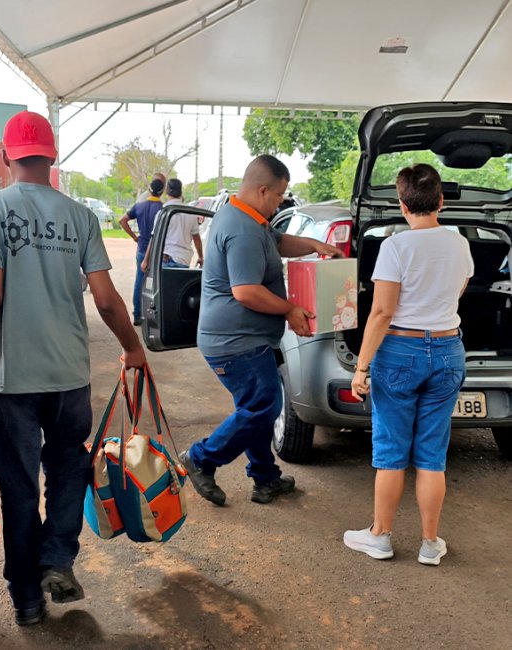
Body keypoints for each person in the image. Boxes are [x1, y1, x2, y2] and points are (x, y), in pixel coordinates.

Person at [0, 111, 147, 626]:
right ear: (53, 156)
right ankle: (58, 559)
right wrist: (133, 347)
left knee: (19, 489)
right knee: (68, 469)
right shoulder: (82, 218)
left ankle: (26, 599)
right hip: (70, 375)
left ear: (5, 157)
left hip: (13, 381)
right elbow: (107, 300)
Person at [179, 155, 344, 506]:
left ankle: (265, 479)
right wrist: (289, 309)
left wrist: (315, 246)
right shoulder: (242, 230)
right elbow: (246, 291)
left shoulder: (249, 219)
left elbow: (279, 241)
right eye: (280, 195)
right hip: (236, 342)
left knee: (254, 407)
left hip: (241, 338)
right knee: (264, 407)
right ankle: (201, 458)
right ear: (263, 189)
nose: (281, 201)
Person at [344, 164, 472, 566]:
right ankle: (430, 543)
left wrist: (361, 367)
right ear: (441, 200)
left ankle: (380, 536)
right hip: (449, 350)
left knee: (391, 451)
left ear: (402, 205)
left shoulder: (396, 247)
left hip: (400, 351)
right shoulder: (460, 244)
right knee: (432, 455)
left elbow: (382, 312)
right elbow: (460, 291)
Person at [120, 177, 165, 325]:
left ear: (149, 190)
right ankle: (152, 315)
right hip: (157, 251)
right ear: (162, 191)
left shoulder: (139, 206)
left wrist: (134, 237)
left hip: (141, 249)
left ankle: (137, 315)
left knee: (139, 282)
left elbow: (122, 220)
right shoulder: (163, 209)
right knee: (154, 283)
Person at [140, 177, 203, 271]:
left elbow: (154, 238)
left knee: (161, 285)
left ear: (166, 191)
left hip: (165, 260)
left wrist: (146, 260)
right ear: (181, 192)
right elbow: (196, 238)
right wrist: (201, 256)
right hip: (184, 260)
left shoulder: (163, 212)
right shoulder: (190, 213)